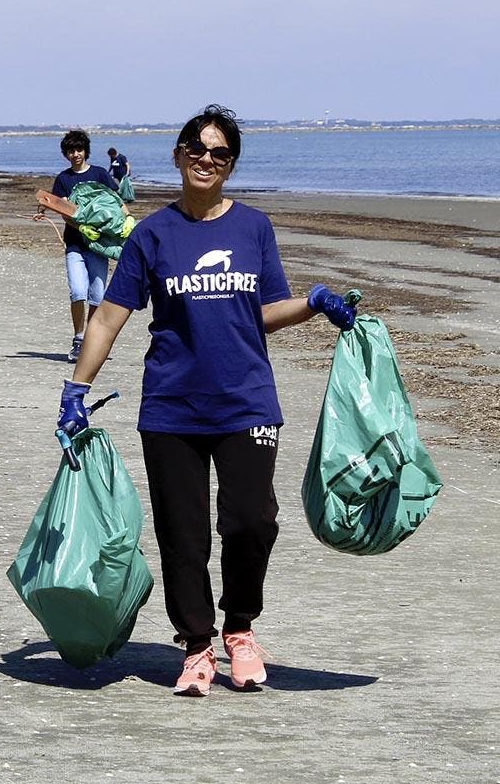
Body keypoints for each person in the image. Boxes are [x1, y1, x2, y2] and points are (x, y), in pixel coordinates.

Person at [57, 104, 356, 697]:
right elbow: (109, 319)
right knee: (182, 532)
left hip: (247, 401)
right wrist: (75, 390)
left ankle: (240, 628)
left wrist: (315, 302)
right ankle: (197, 645)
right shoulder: (152, 234)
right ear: (178, 156)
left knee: (252, 522)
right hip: (171, 408)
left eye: (220, 153)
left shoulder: (254, 228)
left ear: (231, 165)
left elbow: (262, 313)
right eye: (197, 148)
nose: (207, 159)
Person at [46, 129, 123, 362]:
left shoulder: (100, 174)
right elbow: (62, 211)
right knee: (78, 291)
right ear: (65, 154)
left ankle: (92, 339)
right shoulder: (63, 179)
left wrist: (127, 226)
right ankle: (79, 338)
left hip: (99, 245)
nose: (75, 154)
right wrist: (75, 220)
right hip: (75, 244)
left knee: (98, 296)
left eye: (79, 150)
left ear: (85, 151)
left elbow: (115, 203)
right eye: (70, 150)